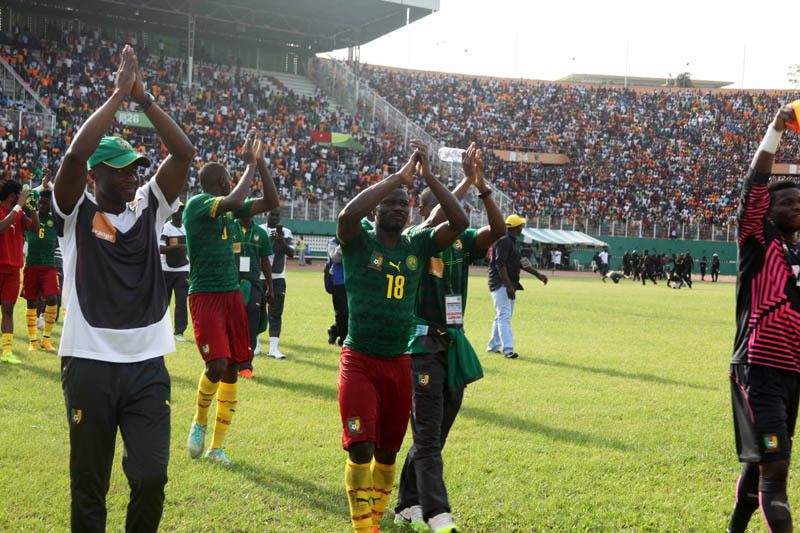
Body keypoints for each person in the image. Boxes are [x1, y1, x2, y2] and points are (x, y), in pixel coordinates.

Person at [54, 45, 194, 532]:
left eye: (135, 167)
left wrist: (144, 99)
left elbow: (184, 154)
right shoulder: (75, 213)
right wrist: (117, 97)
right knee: (89, 485)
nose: (134, 175)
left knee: (152, 477)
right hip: (88, 364)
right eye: (121, 168)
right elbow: (74, 155)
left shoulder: (150, 208)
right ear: (94, 176)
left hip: (147, 366)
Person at [336, 141, 467, 533]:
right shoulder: (359, 240)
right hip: (359, 359)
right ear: (376, 210)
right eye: (390, 202)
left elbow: (459, 221)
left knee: (388, 452)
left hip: (399, 361)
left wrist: (430, 179)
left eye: (403, 203)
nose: (397, 207)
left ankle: (375, 518)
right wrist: (397, 178)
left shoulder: (418, 244)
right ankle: (363, 528)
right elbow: (346, 214)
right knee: (361, 446)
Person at [394, 143, 505, 532]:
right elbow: (442, 216)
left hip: (454, 344)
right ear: (428, 210)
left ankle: (406, 504)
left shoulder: (463, 242)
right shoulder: (416, 237)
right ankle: (436, 515)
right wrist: (455, 182)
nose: (460, 214)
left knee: (434, 436)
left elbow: (499, 231)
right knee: (427, 436)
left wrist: (482, 186)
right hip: (422, 346)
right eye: (448, 206)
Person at [725, 104, 800, 533]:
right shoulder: (756, 239)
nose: (796, 207)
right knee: (776, 471)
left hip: (791, 373)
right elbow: (755, 185)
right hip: (759, 369)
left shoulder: (797, 252)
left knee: (759, 466)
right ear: (768, 212)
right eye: (787, 202)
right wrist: (775, 130)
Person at [184, 130, 279, 465]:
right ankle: (199, 420)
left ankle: (217, 447)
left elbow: (271, 202)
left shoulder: (228, 211)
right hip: (205, 294)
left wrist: (261, 163)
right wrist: (250, 165)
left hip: (231, 294)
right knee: (217, 364)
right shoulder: (198, 204)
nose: (231, 183)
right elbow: (237, 200)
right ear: (221, 182)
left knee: (233, 366)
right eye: (228, 179)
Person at [486, 214, 548, 359]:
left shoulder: (512, 241)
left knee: (501, 316)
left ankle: (493, 346)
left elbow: (521, 262)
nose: (522, 227)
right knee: (504, 316)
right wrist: (508, 286)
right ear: (516, 227)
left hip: (509, 283)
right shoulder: (504, 241)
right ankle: (508, 350)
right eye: (521, 225)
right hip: (501, 283)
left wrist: (537, 274)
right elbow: (500, 264)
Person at [0, 179, 39, 363]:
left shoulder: (21, 213)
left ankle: (7, 352)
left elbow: (34, 229)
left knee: (8, 309)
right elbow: (1, 228)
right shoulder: (5, 210)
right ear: (13, 196)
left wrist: (33, 208)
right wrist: (18, 207)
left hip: (14, 270)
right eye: (20, 196)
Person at [233, 213, 273, 379]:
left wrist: (270, 288)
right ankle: (229, 362)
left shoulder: (260, 233)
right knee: (231, 324)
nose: (249, 215)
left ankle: (246, 366)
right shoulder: (229, 228)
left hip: (254, 284)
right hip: (231, 284)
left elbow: (265, 261)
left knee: (251, 326)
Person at [22, 188, 58, 352]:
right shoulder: (30, 215)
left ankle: (46, 339)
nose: (42, 206)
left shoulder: (54, 219)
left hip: (49, 265)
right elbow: (24, 197)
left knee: (52, 298)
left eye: (45, 204)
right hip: (31, 265)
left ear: (51, 205)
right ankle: (33, 341)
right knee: (32, 302)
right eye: (40, 203)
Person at [264, 209, 295, 359]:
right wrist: (269, 240)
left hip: (278, 277)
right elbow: (257, 252)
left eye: (277, 215)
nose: (275, 217)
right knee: (256, 312)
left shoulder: (286, 232)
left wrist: (281, 240)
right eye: (272, 214)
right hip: (260, 277)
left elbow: (291, 253)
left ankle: (273, 348)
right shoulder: (260, 230)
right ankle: (255, 345)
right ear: (266, 214)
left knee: (275, 313)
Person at [159, 202, 189, 342]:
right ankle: (161, 329)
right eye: (176, 211)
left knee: (181, 301)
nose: (179, 214)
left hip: (183, 270)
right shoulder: (166, 228)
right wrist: (179, 247)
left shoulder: (186, 228)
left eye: (181, 211)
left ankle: (179, 332)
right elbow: (160, 248)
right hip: (166, 269)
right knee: (164, 302)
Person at [326, 236, 347, 346]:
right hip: (339, 280)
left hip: (356, 279)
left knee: (353, 311)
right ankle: (343, 339)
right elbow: (335, 257)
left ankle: (334, 330)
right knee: (342, 311)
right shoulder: (333, 242)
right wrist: (345, 242)